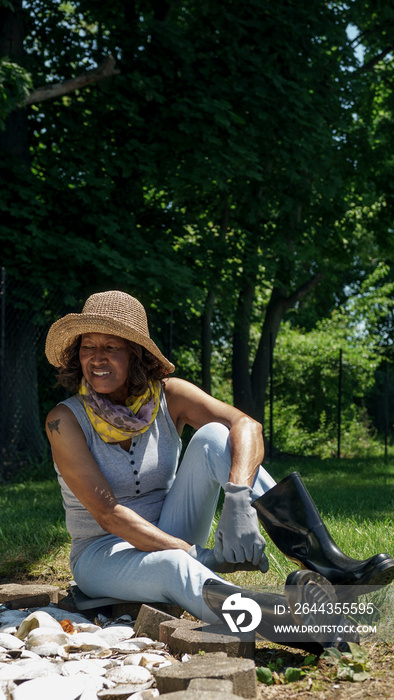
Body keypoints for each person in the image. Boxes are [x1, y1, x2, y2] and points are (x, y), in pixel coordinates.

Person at [45, 291, 393, 642]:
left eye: (111, 347)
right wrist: (202, 556)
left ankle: (329, 565)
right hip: (103, 553)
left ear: (135, 354)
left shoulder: (169, 395)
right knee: (174, 566)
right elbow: (108, 513)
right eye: (88, 347)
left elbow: (247, 426)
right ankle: (293, 627)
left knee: (215, 435)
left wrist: (239, 498)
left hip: (173, 526)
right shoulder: (65, 420)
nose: (97, 358)